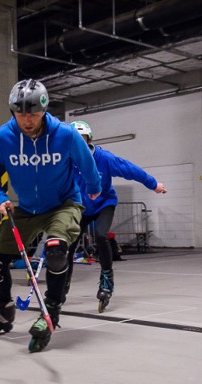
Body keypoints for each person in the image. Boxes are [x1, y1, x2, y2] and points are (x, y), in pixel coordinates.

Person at [0, 79, 101, 353]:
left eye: (33, 114)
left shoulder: (65, 135)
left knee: (55, 250)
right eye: (21, 114)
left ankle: (50, 311)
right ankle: (3, 310)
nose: (27, 120)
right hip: (26, 208)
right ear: (13, 112)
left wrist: (93, 189)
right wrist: (0, 198)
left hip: (63, 204)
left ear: (43, 110)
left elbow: (87, 165)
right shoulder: (2, 138)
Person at [66, 121, 167, 312]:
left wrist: (153, 184)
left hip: (104, 203)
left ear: (89, 140)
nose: (79, 145)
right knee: (69, 243)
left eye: (83, 140)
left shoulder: (104, 158)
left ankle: (106, 278)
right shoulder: (67, 160)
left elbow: (130, 169)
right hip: (80, 207)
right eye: (74, 141)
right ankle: (63, 280)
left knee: (102, 235)